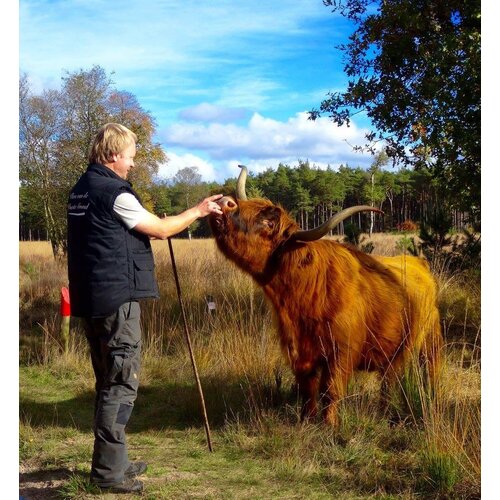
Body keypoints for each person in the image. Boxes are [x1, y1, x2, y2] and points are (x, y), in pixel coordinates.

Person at [67, 123, 223, 494]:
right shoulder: (113, 193)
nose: (134, 165)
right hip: (116, 301)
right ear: (115, 155)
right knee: (121, 383)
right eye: (132, 157)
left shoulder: (81, 190)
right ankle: (108, 476)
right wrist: (198, 211)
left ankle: (114, 461)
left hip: (91, 299)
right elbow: (161, 229)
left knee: (107, 381)